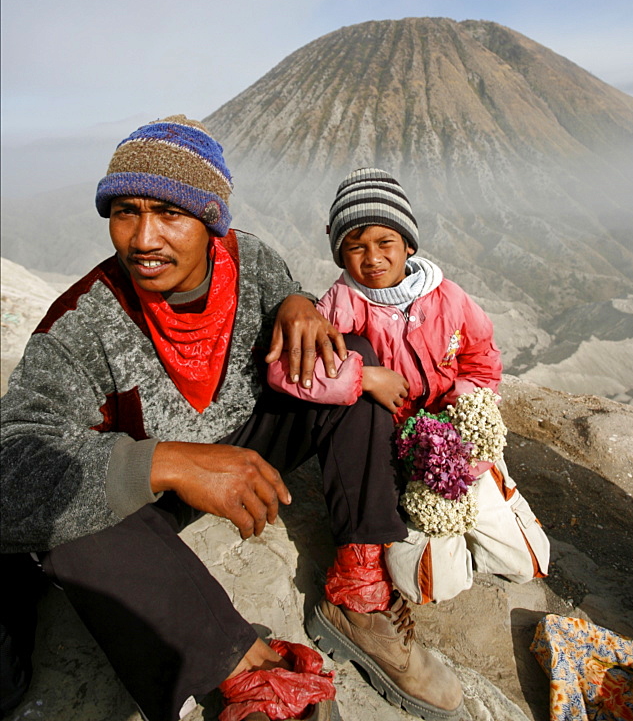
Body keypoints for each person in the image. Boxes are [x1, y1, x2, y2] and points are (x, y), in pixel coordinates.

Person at [0, 121, 466, 721]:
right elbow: (12, 462)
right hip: (147, 501)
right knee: (68, 515)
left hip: (246, 446)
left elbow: (287, 295)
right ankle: (249, 675)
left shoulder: (249, 262)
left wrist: (297, 305)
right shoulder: (81, 326)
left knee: (353, 358)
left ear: (211, 221)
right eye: (124, 212)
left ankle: (358, 595)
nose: (144, 238)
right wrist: (168, 461)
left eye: (170, 213)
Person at [268, 169, 550, 657]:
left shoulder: (449, 299)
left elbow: (482, 360)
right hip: (396, 457)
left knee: (527, 564)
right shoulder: (340, 306)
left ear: (409, 244)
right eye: (355, 246)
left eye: (386, 241)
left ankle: (493, 485)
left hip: (456, 445)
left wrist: (463, 426)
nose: (372, 257)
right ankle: (423, 525)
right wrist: (365, 378)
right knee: (435, 586)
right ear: (339, 252)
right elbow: (291, 372)